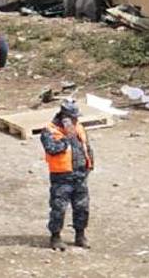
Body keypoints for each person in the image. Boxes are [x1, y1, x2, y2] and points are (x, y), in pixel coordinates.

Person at [40, 99, 93, 251]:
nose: (76, 120)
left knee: (82, 207)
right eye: (73, 117)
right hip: (62, 178)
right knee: (59, 208)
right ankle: (55, 237)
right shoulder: (49, 130)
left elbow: (86, 146)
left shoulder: (78, 127)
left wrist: (90, 164)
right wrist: (66, 138)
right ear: (65, 117)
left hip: (80, 175)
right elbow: (52, 149)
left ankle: (80, 235)